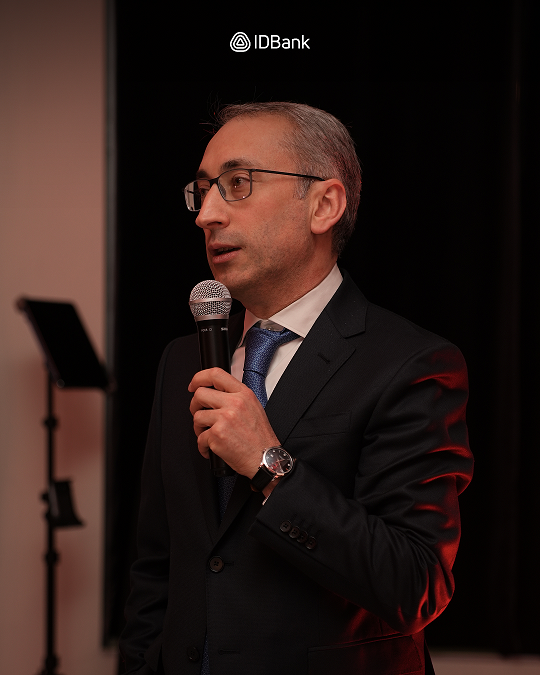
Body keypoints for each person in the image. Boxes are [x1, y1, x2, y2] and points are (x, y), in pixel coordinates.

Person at [119, 102, 473, 675]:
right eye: (202, 191)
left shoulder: (410, 363)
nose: (206, 214)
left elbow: (414, 584)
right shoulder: (181, 359)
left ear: (324, 205)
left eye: (237, 184)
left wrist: (268, 465)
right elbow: (156, 569)